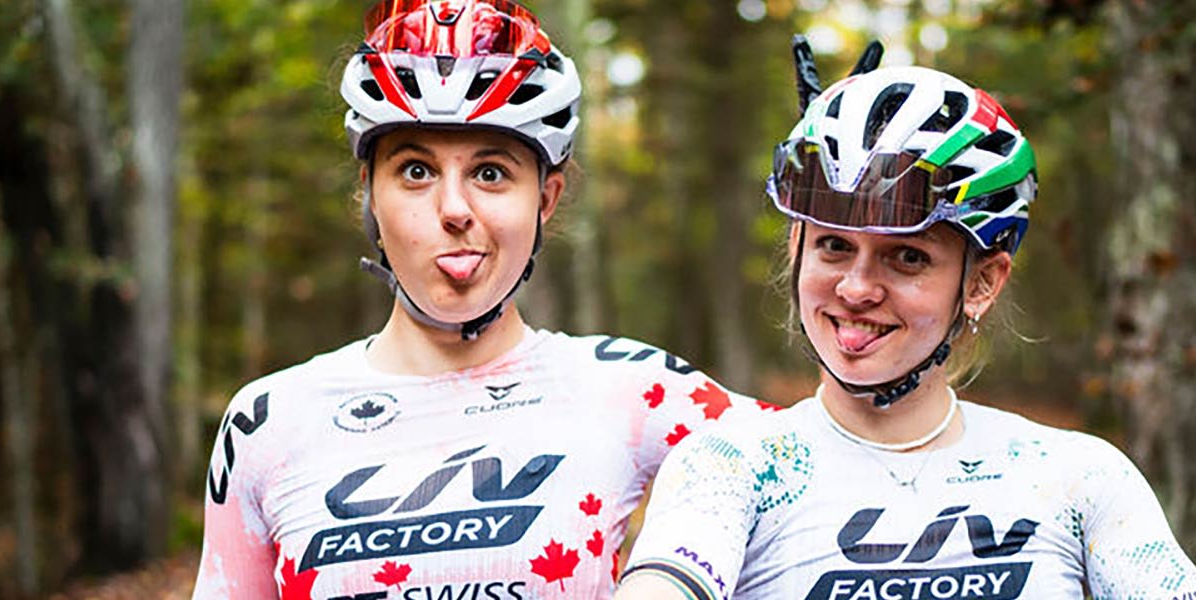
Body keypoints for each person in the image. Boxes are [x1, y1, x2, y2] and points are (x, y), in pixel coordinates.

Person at [193, 1, 768, 597]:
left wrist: (676, 572)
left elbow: (817, 459)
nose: (454, 211)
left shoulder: (629, 389)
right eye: (416, 172)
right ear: (369, 192)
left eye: (491, 173)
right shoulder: (268, 422)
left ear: (546, 198)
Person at [615, 52, 1196, 600]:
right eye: (832, 246)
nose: (856, 288)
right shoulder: (730, 466)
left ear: (981, 282)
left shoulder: (1079, 476)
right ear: (798, 251)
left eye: (908, 257)